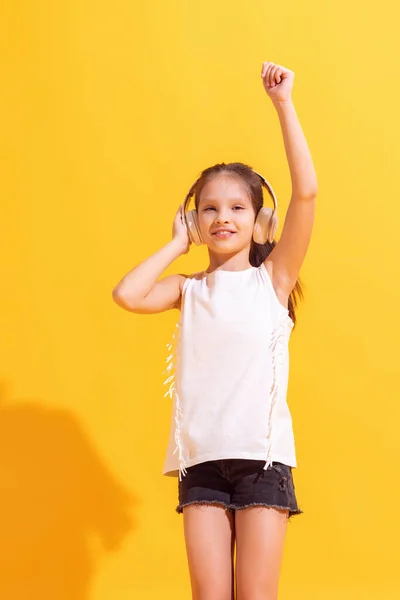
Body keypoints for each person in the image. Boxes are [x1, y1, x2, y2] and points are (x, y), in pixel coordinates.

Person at [112, 60, 318, 600]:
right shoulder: (188, 290)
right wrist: (174, 246)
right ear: (194, 220)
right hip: (199, 464)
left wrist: (283, 104)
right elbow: (127, 295)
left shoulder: (273, 280)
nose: (222, 217)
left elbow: (308, 194)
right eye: (208, 209)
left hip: (262, 463)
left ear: (258, 219)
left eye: (236, 207)